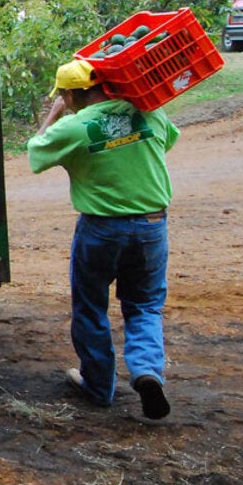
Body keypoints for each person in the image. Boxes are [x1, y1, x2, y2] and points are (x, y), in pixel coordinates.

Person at [26, 59, 178, 420]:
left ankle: (98, 386)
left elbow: (35, 152)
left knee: (91, 306)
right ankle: (146, 371)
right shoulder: (147, 112)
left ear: (69, 94)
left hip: (101, 230)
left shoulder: (74, 127)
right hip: (152, 226)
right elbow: (168, 140)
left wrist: (55, 115)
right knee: (144, 305)